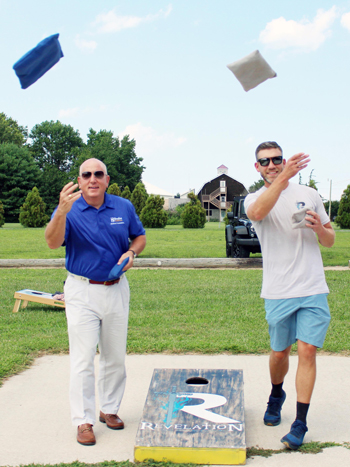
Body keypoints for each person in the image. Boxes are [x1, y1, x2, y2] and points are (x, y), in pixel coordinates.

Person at [45, 158, 146, 446]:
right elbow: (52, 242)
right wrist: (60, 213)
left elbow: (138, 236)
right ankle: (83, 421)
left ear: (107, 179)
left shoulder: (123, 207)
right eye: (86, 174)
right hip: (81, 291)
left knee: (115, 356)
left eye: (98, 174)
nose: (92, 179)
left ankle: (109, 410)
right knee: (83, 359)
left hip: (116, 289)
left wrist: (132, 253)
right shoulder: (69, 208)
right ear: (79, 180)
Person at [244, 142, 335, 450]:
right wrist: (283, 178)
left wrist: (320, 231)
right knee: (280, 353)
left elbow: (330, 237)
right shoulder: (255, 199)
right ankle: (275, 393)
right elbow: (257, 212)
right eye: (265, 161)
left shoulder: (308, 194)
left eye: (277, 159)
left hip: (312, 287)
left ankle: (300, 423)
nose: (272, 164)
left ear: (283, 160)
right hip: (279, 291)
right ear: (257, 167)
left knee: (307, 351)